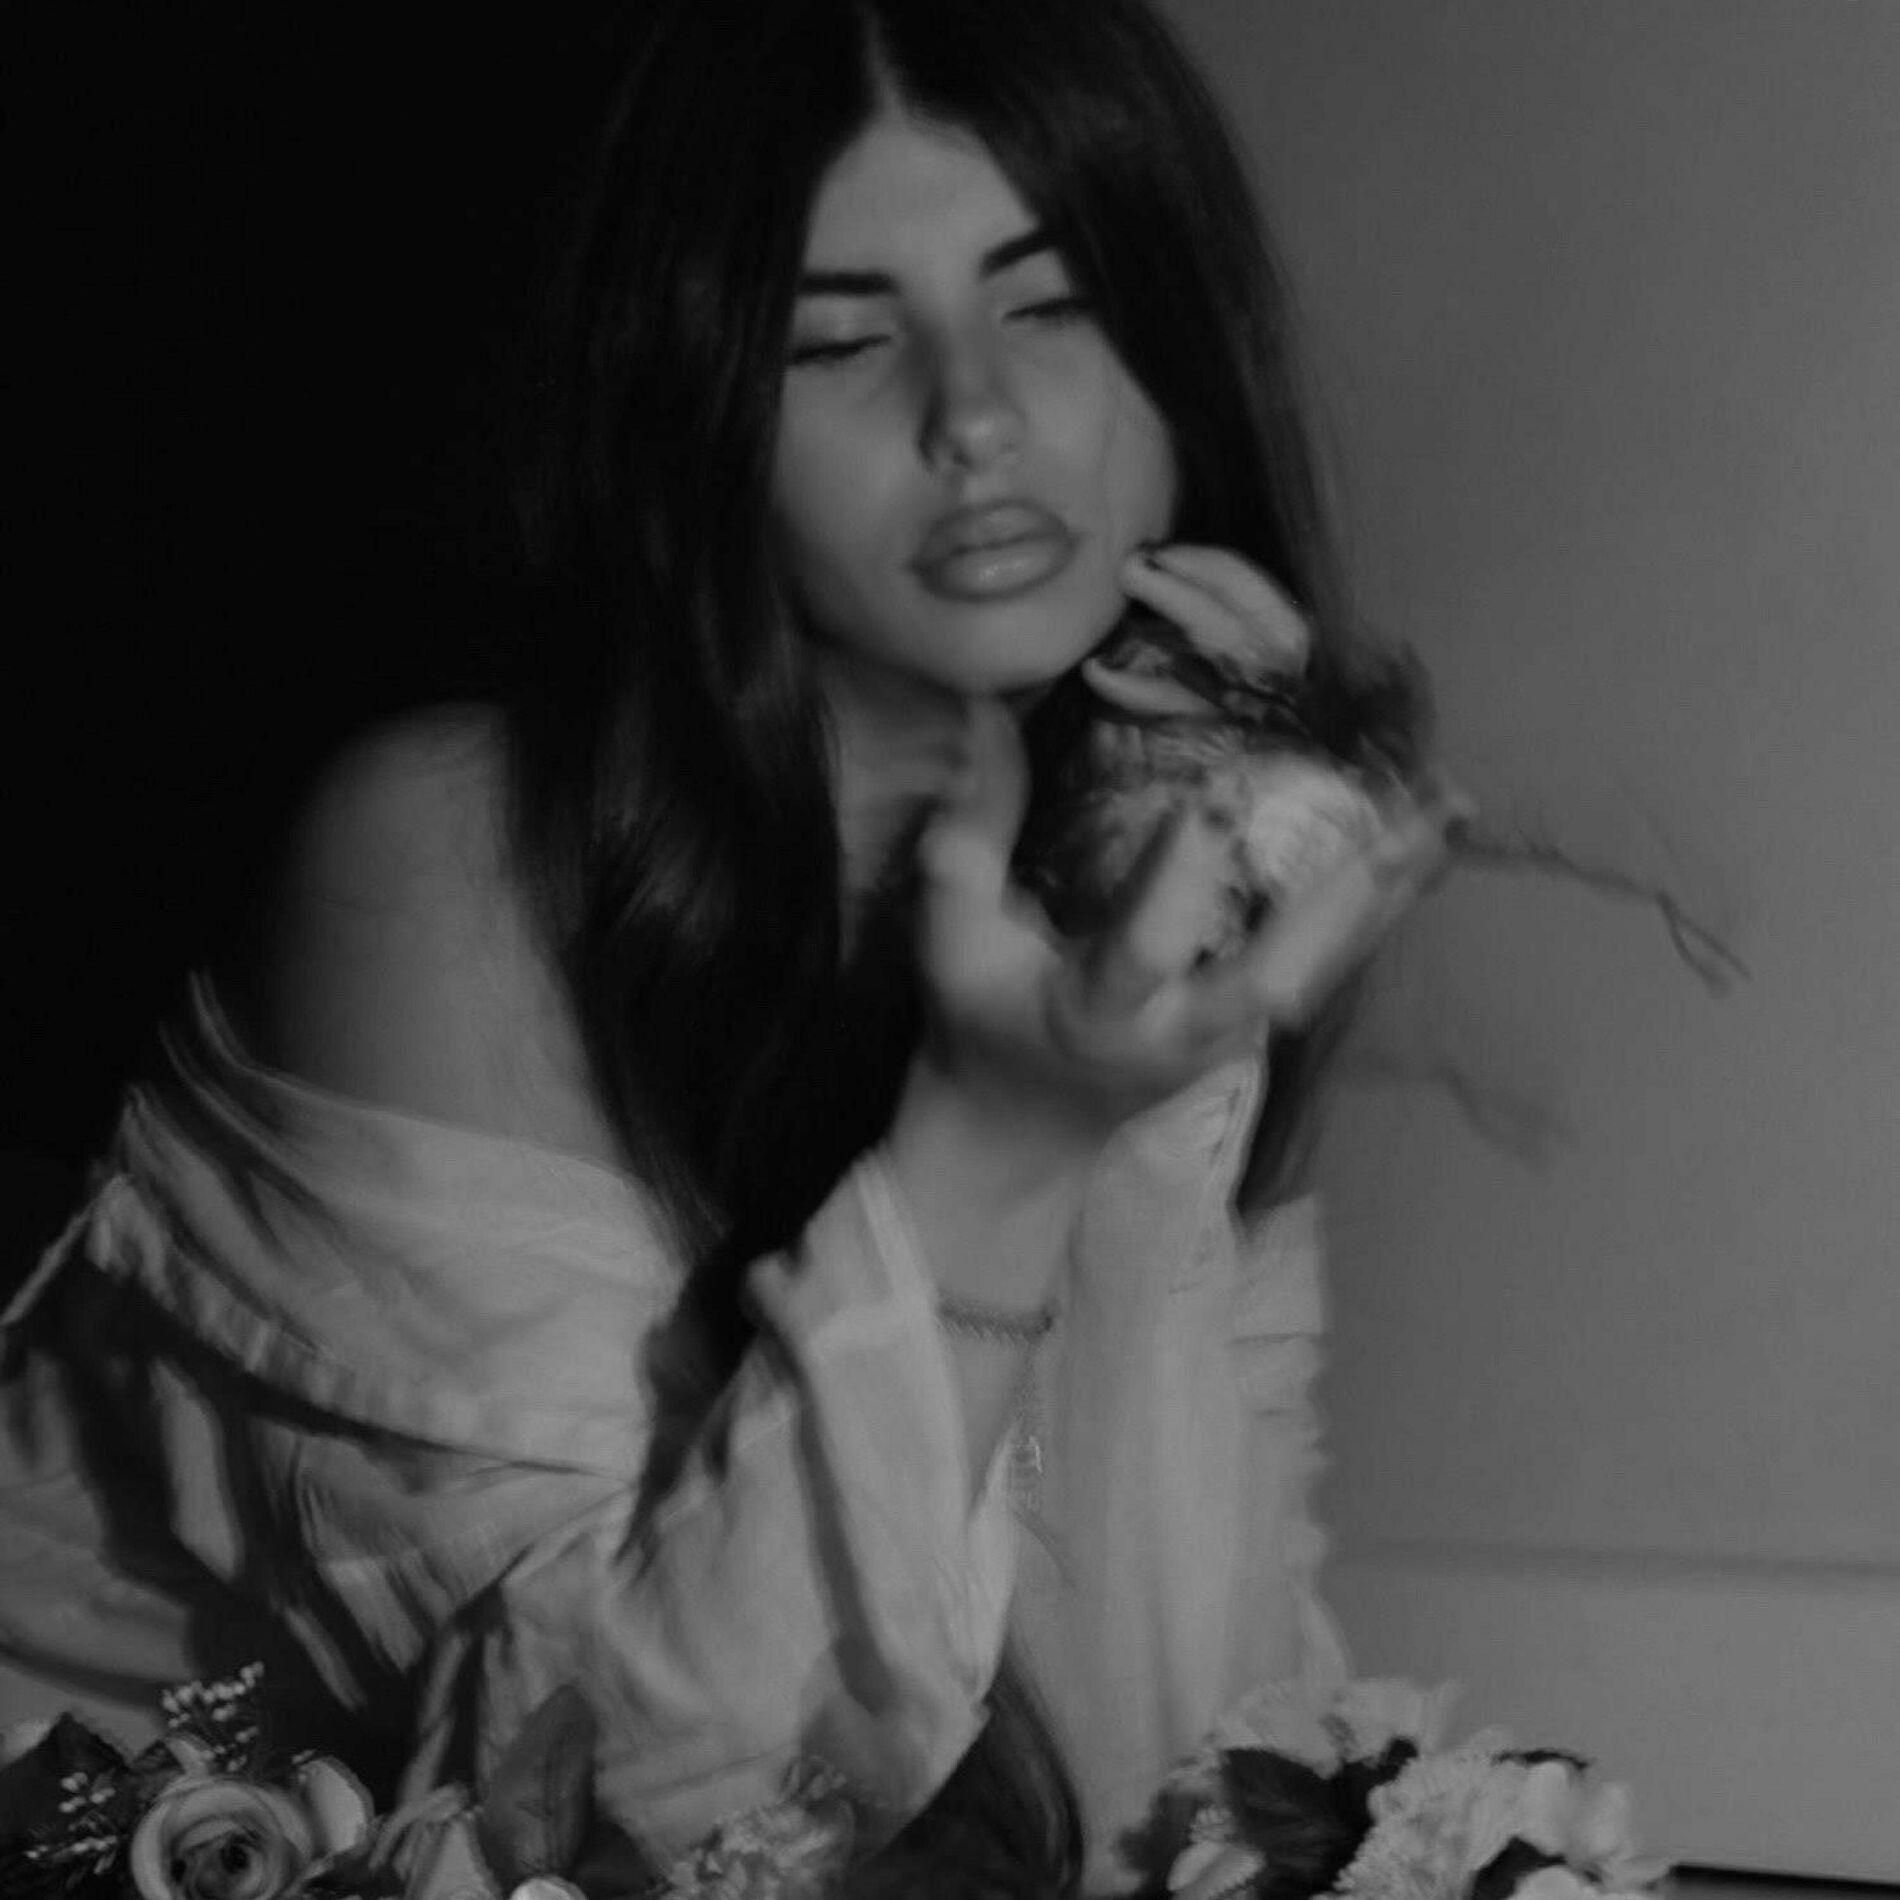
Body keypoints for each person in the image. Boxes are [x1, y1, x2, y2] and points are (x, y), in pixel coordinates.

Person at [0, 0, 1458, 1891]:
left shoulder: (1136, 868)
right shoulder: (450, 856)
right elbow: (600, 1822)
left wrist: (1147, 1089)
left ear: (1184, 363)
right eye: (838, 339)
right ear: (696, 421)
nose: (974, 416)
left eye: (1056, 303)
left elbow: (1184, 1765)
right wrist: (998, 1149)